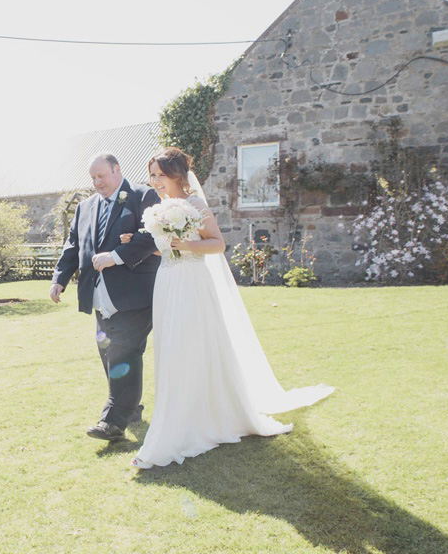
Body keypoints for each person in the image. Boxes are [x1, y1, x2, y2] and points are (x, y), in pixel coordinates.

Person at [129, 148, 334, 469]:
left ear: (177, 175)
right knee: (172, 350)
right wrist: (147, 243)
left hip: (193, 285)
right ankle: (182, 414)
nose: (155, 181)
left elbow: (217, 244)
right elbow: (166, 251)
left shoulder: (195, 205)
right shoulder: (158, 210)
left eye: (160, 174)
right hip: (167, 285)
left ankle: (207, 418)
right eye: (152, 174)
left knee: (195, 346)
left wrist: (187, 245)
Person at [50, 153, 161, 442]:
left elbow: (153, 237)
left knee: (123, 352)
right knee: (107, 352)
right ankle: (131, 407)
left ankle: (111, 423)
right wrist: (59, 278)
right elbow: (73, 244)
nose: (97, 183)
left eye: (102, 176)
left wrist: (116, 256)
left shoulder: (142, 195)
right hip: (99, 296)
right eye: (93, 178)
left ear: (117, 169)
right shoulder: (85, 207)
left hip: (135, 295)